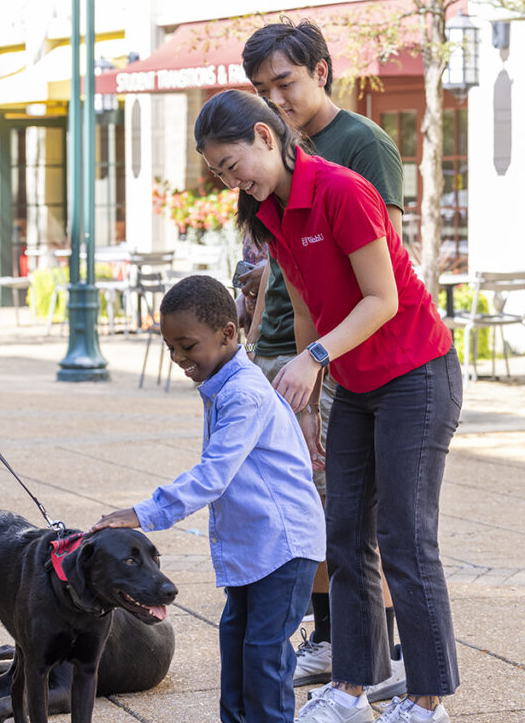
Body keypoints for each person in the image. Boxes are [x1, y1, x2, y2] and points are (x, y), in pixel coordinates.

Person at [195, 90, 461, 723]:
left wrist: (312, 359)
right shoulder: (271, 213)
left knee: (404, 537)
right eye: (218, 174)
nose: (232, 181)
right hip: (354, 382)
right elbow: (309, 297)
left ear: (266, 137)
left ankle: (426, 701)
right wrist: (312, 397)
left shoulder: (341, 190)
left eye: (233, 165)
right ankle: (350, 686)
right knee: (341, 534)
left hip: (416, 375)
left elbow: (383, 298)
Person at [240, 18, 408, 701]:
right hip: (287, 341)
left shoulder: (360, 146)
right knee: (299, 505)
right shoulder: (278, 148)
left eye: (284, 83)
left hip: (345, 354)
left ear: (321, 70)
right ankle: (336, 639)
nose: (274, 100)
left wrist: (323, 357)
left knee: (354, 514)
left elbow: (386, 267)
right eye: (261, 90)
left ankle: (377, 651)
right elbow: (284, 262)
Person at [92, 274, 325, 723]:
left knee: (264, 655)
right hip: (256, 547)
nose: (180, 358)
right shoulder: (223, 384)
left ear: (227, 334)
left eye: (187, 346)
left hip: (284, 546)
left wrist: (143, 513)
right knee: (236, 640)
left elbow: (213, 475)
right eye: (170, 348)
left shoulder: (244, 393)